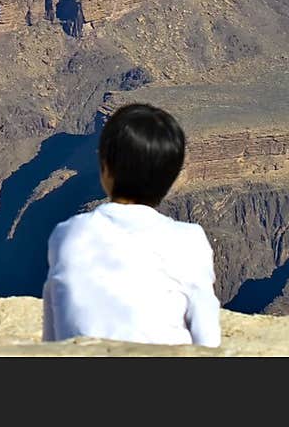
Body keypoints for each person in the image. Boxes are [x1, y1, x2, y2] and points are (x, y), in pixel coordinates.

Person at [42, 102, 221, 346]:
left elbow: (53, 341)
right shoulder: (189, 241)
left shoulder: (67, 234)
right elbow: (207, 342)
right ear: (173, 175)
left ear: (105, 167)